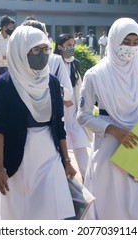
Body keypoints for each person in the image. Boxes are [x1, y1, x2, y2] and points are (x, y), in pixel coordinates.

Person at [77, 17, 138, 220]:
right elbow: (83, 115)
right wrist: (114, 131)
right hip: (110, 152)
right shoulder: (96, 75)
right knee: (112, 209)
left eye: (135, 43)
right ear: (115, 40)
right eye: (126, 42)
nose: (131, 48)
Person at [0, 26, 76, 220]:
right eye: (35, 50)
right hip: (17, 160)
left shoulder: (52, 82)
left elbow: (59, 125)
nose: (42, 55)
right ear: (20, 50)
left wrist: (66, 161)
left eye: (45, 49)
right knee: (21, 213)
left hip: (49, 157)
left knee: (51, 211)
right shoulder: (5, 84)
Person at [54, 33, 91, 181]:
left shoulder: (75, 63)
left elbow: (78, 85)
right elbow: (52, 84)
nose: (71, 48)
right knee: (60, 145)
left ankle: (87, 177)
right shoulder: (55, 63)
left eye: (73, 45)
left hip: (74, 109)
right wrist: (62, 99)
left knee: (80, 145)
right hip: (60, 110)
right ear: (59, 47)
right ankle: (62, 178)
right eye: (68, 45)